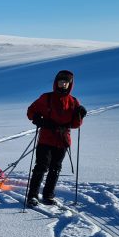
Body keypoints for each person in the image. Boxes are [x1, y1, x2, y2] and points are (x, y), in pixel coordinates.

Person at [25, 70, 86, 206]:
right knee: (41, 167)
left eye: (66, 82)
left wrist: (80, 115)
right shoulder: (46, 98)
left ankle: (48, 195)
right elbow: (31, 111)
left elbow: (75, 124)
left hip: (62, 140)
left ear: (70, 84)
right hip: (46, 138)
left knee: (55, 168)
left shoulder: (74, 102)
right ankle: (32, 196)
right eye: (61, 81)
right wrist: (37, 119)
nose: (63, 84)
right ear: (56, 82)